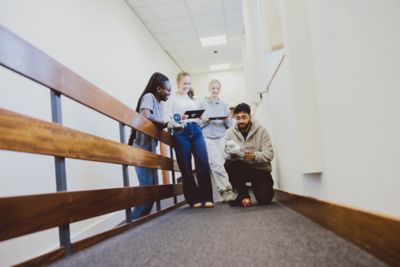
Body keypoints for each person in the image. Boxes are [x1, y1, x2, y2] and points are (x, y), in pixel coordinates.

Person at [128, 72, 171, 219]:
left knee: (152, 190)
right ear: (159, 89)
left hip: (150, 150)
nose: (169, 93)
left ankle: (139, 221)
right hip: (140, 149)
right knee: (147, 188)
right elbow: (146, 115)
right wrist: (164, 122)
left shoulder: (160, 103)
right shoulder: (149, 97)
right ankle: (132, 221)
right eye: (167, 90)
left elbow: (158, 125)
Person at [168, 71, 214, 208]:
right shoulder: (172, 99)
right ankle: (193, 199)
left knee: (203, 163)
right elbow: (169, 120)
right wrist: (179, 119)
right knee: (186, 167)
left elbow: (198, 117)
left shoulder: (193, 99)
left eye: (189, 83)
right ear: (178, 83)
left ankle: (207, 197)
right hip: (181, 132)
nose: (187, 86)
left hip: (196, 130)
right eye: (184, 83)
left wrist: (201, 119)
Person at [224, 103, 274, 207]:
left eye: (244, 117)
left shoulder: (262, 131)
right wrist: (231, 154)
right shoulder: (229, 132)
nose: (241, 121)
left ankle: (258, 188)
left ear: (250, 117)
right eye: (238, 118)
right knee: (228, 163)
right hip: (241, 168)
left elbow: (269, 154)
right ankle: (243, 194)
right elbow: (225, 154)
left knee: (264, 199)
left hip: (260, 170)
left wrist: (253, 156)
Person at [199, 79, 235, 203]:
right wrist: (205, 121)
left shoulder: (224, 105)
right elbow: (198, 123)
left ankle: (221, 193)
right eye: (213, 88)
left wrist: (225, 119)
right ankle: (228, 190)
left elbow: (229, 124)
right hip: (208, 137)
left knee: (220, 164)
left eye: (217, 88)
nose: (215, 90)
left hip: (221, 137)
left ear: (220, 90)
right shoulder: (202, 104)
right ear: (209, 89)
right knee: (215, 164)